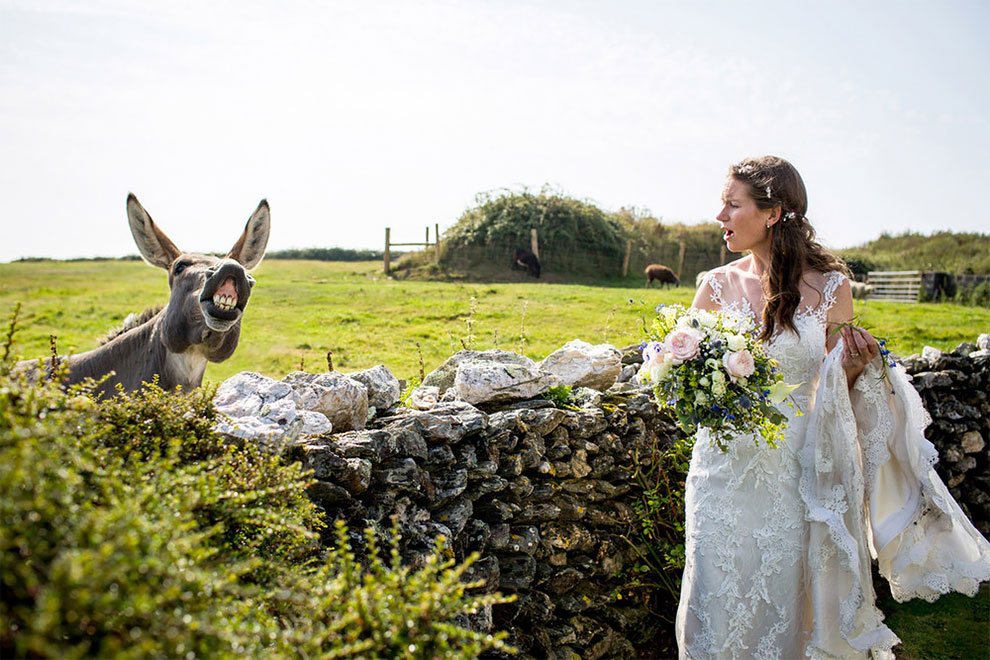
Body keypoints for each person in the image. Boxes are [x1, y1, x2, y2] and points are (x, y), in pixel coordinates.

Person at [676, 155, 990, 659]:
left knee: (791, 586)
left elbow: (833, 386)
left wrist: (853, 367)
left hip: (798, 464)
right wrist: (686, 379)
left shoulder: (831, 287)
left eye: (732, 205)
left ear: (773, 212)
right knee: (719, 584)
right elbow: (684, 369)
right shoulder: (714, 285)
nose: (720, 217)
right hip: (723, 466)